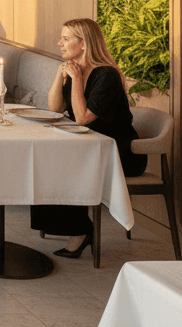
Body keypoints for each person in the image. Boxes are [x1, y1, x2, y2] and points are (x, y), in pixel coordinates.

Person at [31, 19, 146, 257]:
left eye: (66, 39)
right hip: (87, 147)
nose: (59, 43)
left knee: (63, 163)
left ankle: (80, 231)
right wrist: (59, 76)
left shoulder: (106, 75)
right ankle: (74, 227)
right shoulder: (76, 70)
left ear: (84, 44)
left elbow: (83, 118)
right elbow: (54, 109)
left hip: (118, 152)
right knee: (46, 158)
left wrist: (76, 80)